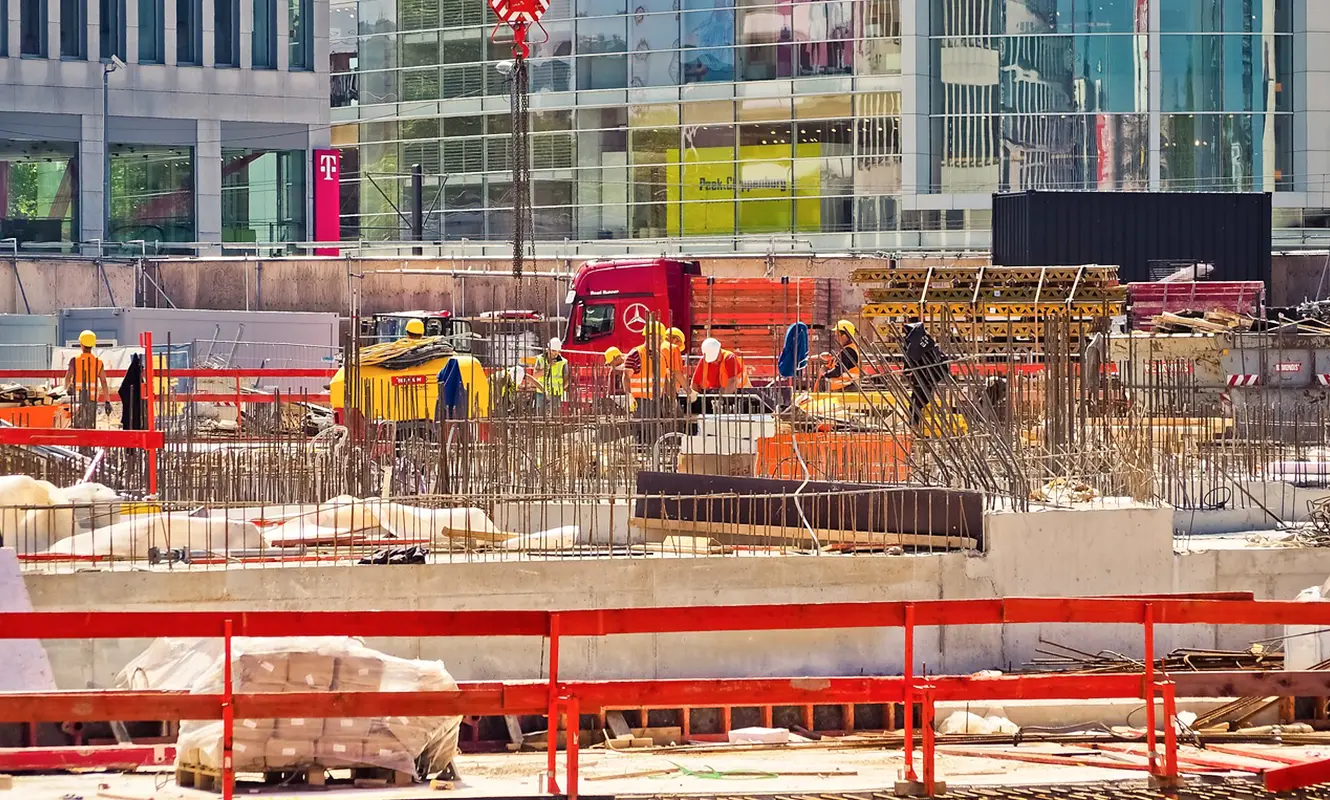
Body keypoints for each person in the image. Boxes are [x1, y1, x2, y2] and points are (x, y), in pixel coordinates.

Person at [903, 320, 948, 426]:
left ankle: (914, 424)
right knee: (919, 400)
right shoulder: (926, 339)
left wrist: (907, 370)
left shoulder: (913, 344)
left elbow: (909, 360)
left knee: (918, 401)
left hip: (925, 376)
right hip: (928, 374)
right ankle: (914, 424)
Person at [64, 330, 111, 429]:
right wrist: (107, 401)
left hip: (77, 399)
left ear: (81, 344)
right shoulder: (98, 362)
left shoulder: (74, 360)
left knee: (77, 426)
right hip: (92, 399)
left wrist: (68, 388)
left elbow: (67, 378)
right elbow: (104, 382)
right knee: (89, 427)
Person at [819, 319, 861, 391]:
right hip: (846, 388)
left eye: (837, 335)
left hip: (846, 389)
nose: (836, 338)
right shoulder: (849, 349)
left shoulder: (847, 351)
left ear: (844, 336)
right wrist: (831, 360)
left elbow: (837, 372)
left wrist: (825, 373)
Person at [533, 337, 568, 409]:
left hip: (555, 393)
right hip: (541, 391)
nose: (556, 353)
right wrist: (548, 366)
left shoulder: (563, 362)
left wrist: (560, 388)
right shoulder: (540, 359)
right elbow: (535, 375)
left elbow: (566, 380)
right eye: (553, 351)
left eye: (557, 351)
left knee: (555, 416)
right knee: (540, 415)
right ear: (548, 349)